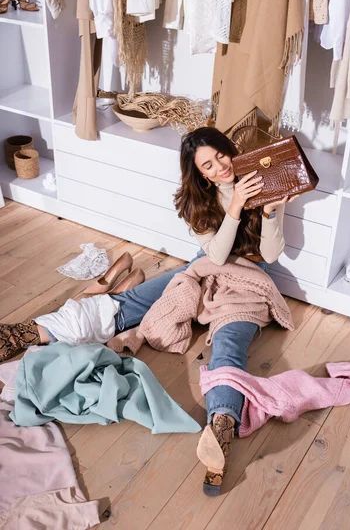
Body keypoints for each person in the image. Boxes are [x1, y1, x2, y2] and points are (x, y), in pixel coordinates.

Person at [0, 127, 291, 495]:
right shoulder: (197, 202)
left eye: (221, 156)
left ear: (230, 151)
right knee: (134, 302)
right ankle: (26, 334)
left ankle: (221, 426)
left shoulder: (260, 181)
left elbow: (270, 255)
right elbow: (214, 255)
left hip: (248, 277)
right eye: (208, 165)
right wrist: (234, 207)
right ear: (199, 172)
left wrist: (268, 210)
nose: (219, 167)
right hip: (206, 266)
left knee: (229, 342)